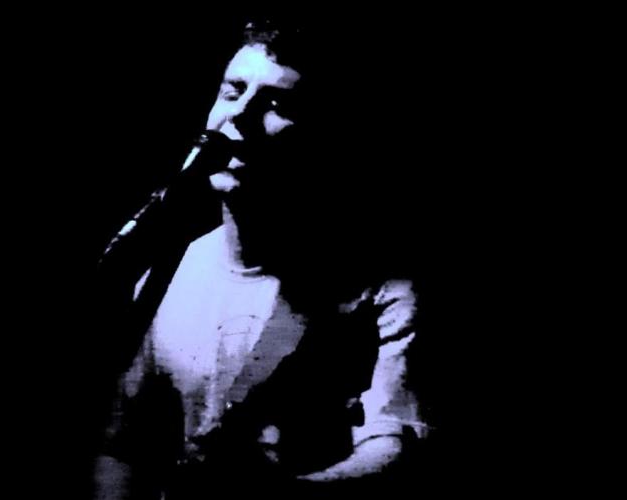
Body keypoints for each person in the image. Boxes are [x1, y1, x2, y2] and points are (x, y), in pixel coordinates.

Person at [92, 18, 433, 500]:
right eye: (232, 92)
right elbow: (123, 446)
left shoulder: (382, 290)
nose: (240, 116)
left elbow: (395, 447)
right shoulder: (165, 267)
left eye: (277, 104)